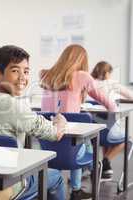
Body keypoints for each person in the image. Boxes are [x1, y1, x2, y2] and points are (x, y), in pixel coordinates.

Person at [0, 45, 67, 200]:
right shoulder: (13, 106)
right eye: (15, 71)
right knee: (56, 177)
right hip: (11, 181)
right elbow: (55, 134)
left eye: (26, 71)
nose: (22, 77)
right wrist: (60, 122)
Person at [40, 44, 117, 199]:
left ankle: (53, 183)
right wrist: (114, 108)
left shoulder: (47, 75)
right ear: (81, 59)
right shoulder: (82, 75)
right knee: (85, 142)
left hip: (47, 143)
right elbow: (102, 98)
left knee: (76, 140)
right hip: (71, 145)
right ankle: (76, 190)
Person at [91, 61, 133, 179]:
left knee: (108, 133)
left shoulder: (91, 84)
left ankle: (105, 168)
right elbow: (131, 96)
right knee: (128, 139)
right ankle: (105, 161)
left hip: (94, 133)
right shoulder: (112, 84)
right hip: (108, 132)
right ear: (107, 73)